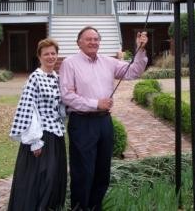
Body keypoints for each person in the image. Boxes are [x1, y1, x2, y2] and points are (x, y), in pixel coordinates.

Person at [59, 26, 148, 211]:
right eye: (88, 39)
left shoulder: (109, 62)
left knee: (102, 171)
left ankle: (95, 207)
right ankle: (79, 208)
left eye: (96, 39)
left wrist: (140, 50)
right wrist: (95, 103)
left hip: (104, 123)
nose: (93, 42)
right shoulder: (70, 63)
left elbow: (133, 71)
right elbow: (67, 95)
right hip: (82, 123)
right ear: (79, 43)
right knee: (83, 172)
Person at [8, 38, 67, 211]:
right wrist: (34, 141)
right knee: (41, 178)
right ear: (39, 57)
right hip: (41, 135)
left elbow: (61, 107)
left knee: (55, 176)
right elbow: (28, 109)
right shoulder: (35, 78)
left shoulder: (58, 78)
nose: (50, 57)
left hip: (57, 135)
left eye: (53, 53)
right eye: (46, 54)